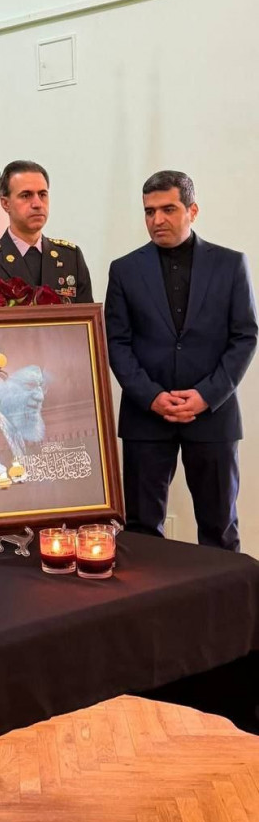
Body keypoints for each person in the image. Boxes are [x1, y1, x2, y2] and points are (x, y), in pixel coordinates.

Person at [105, 170, 258, 551]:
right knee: (141, 532)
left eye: (168, 209)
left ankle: (225, 595)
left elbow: (245, 336)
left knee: (220, 528)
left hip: (213, 416)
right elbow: (117, 343)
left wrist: (207, 395)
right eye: (149, 211)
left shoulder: (231, 264)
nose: (157, 219)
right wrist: (152, 397)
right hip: (145, 418)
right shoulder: (123, 270)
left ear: (192, 210)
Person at [0, 160, 93, 301]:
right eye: (26, 195)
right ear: (5, 203)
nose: (37, 204)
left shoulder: (70, 258)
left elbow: (88, 314)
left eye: (42, 194)